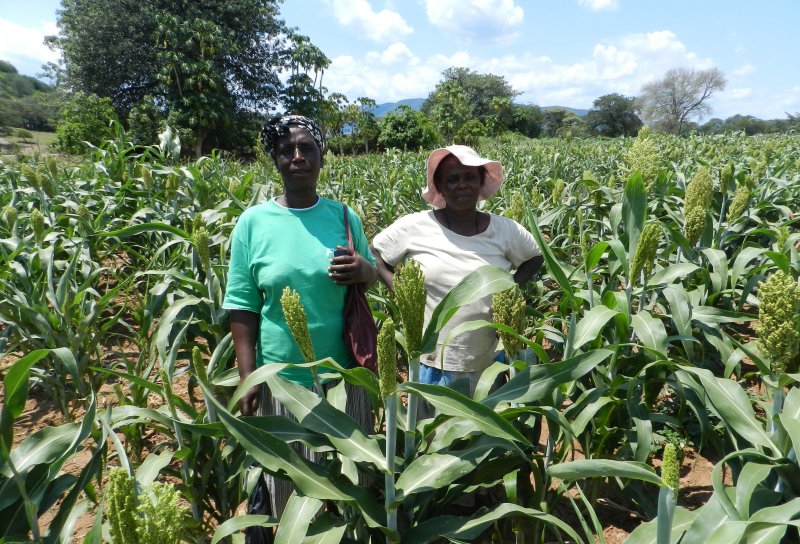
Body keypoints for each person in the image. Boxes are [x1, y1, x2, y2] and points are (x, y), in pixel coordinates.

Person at [222, 114, 378, 517]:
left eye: (307, 148)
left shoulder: (344, 217)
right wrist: (248, 376)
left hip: (344, 378)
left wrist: (365, 270)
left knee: (351, 490)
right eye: (286, 150)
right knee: (292, 493)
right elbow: (242, 304)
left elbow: (371, 275)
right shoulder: (252, 224)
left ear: (321, 157)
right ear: (274, 160)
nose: (297, 157)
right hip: (283, 383)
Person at [371, 145, 543, 404]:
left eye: (469, 177)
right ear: (440, 188)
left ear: (480, 183)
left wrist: (510, 290)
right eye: (452, 179)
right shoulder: (415, 226)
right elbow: (375, 253)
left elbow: (535, 258)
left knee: (486, 439)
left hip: (488, 362)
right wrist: (400, 290)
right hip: (433, 362)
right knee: (433, 440)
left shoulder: (505, 230)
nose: (462, 185)